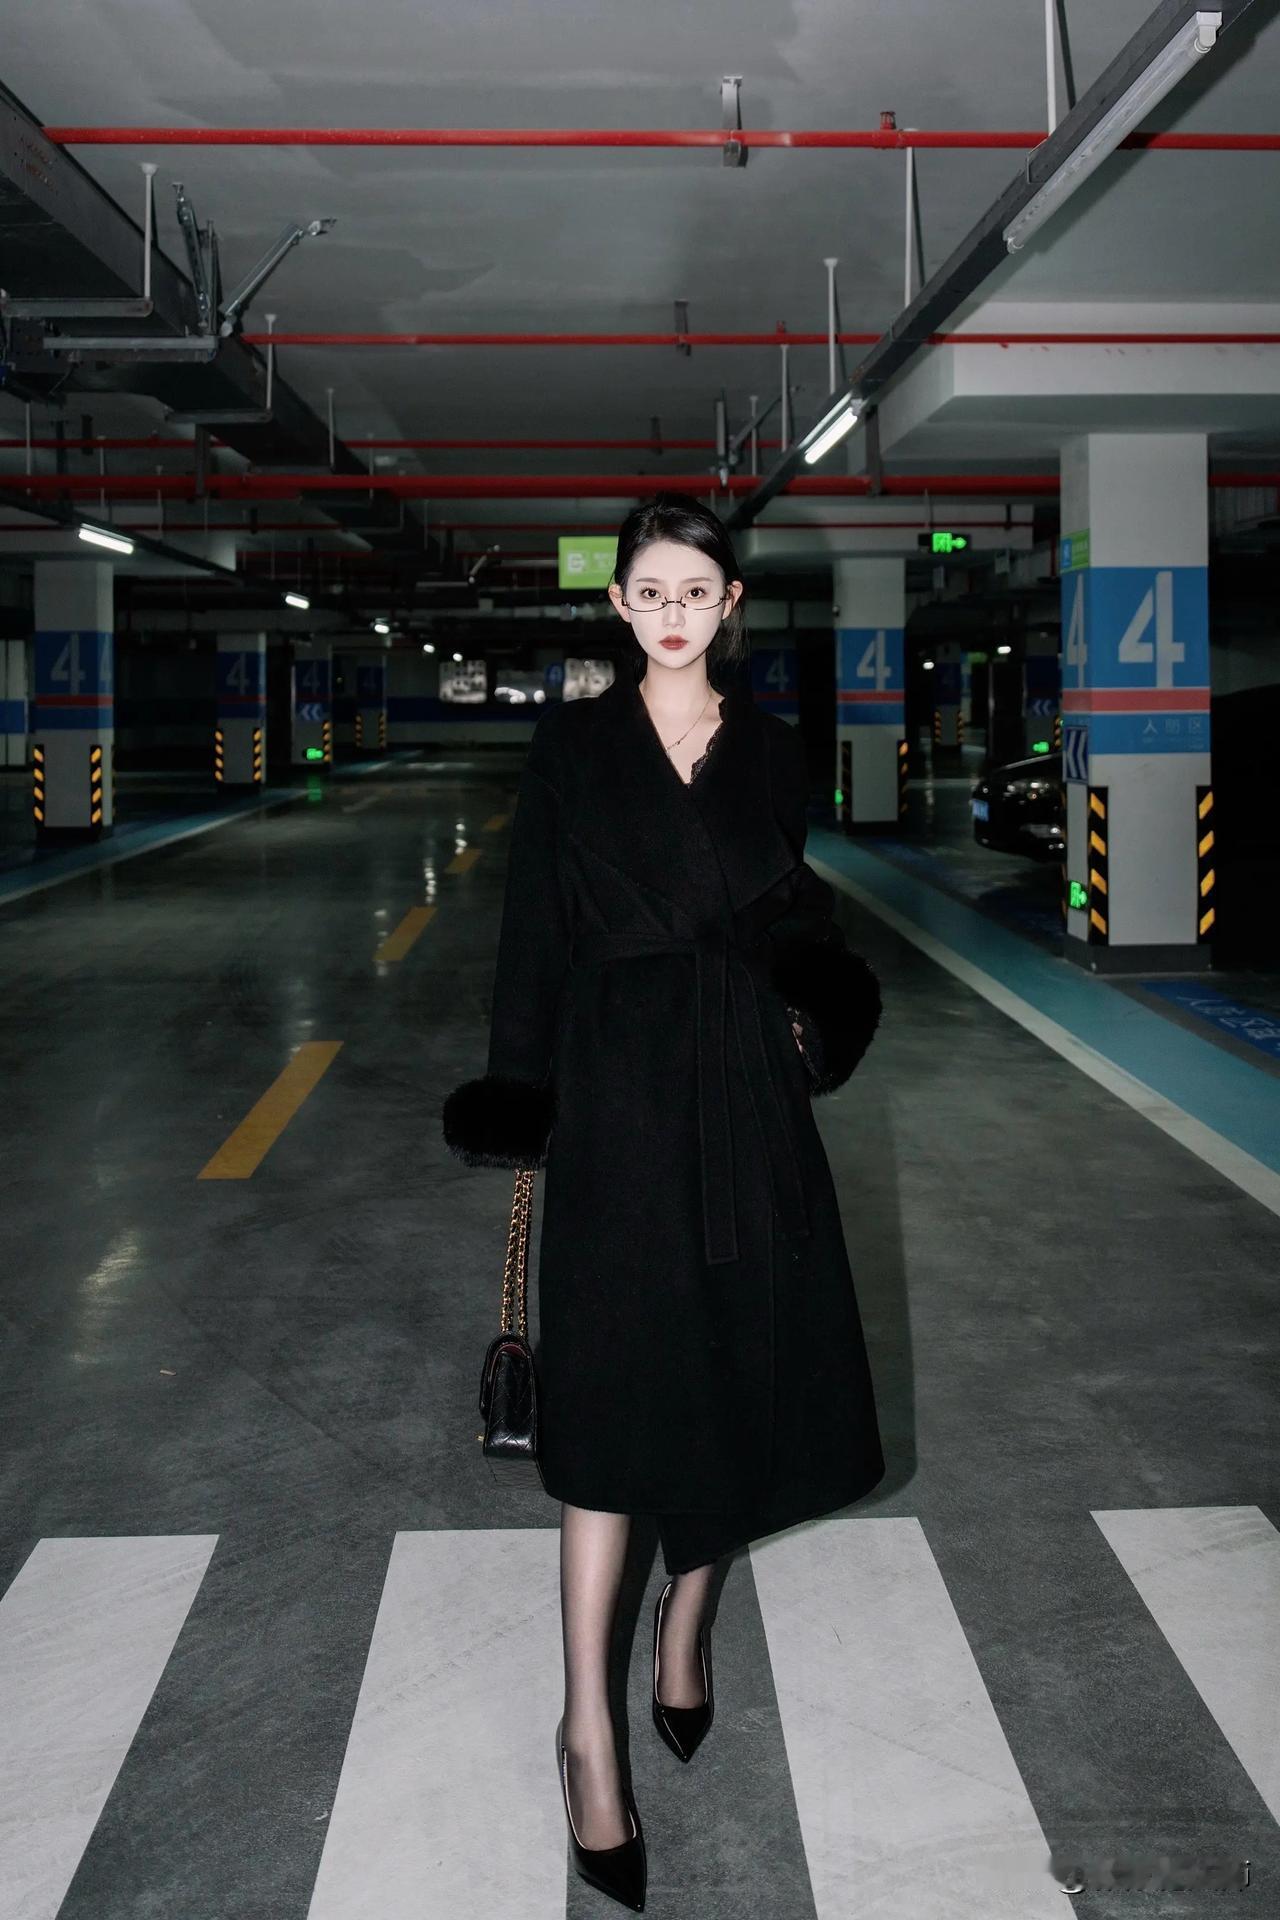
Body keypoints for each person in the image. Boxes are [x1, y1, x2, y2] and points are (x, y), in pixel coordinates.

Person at [442, 491, 885, 1911]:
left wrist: (816, 1010)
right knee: (616, 1408)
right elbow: (531, 939)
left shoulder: (774, 748)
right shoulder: (572, 747)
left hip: (744, 1093)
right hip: (617, 1101)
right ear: (619, 605)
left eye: (700, 589)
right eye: (653, 591)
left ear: (730, 603)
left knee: (743, 1365)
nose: (677, 612)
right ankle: (588, 1732)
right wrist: (524, 1098)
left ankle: (686, 1616)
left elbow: (794, 913)